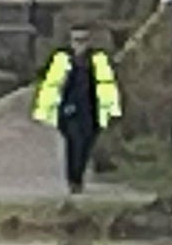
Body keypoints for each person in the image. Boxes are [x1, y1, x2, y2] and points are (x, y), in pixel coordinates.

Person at [31, 26, 121, 192]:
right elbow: (50, 85)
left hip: (92, 109)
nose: (80, 44)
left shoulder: (98, 59)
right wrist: (43, 109)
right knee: (74, 143)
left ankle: (77, 176)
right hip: (68, 109)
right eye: (76, 40)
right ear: (71, 41)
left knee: (86, 144)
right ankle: (74, 179)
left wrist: (112, 109)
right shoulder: (62, 59)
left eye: (83, 40)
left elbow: (108, 85)